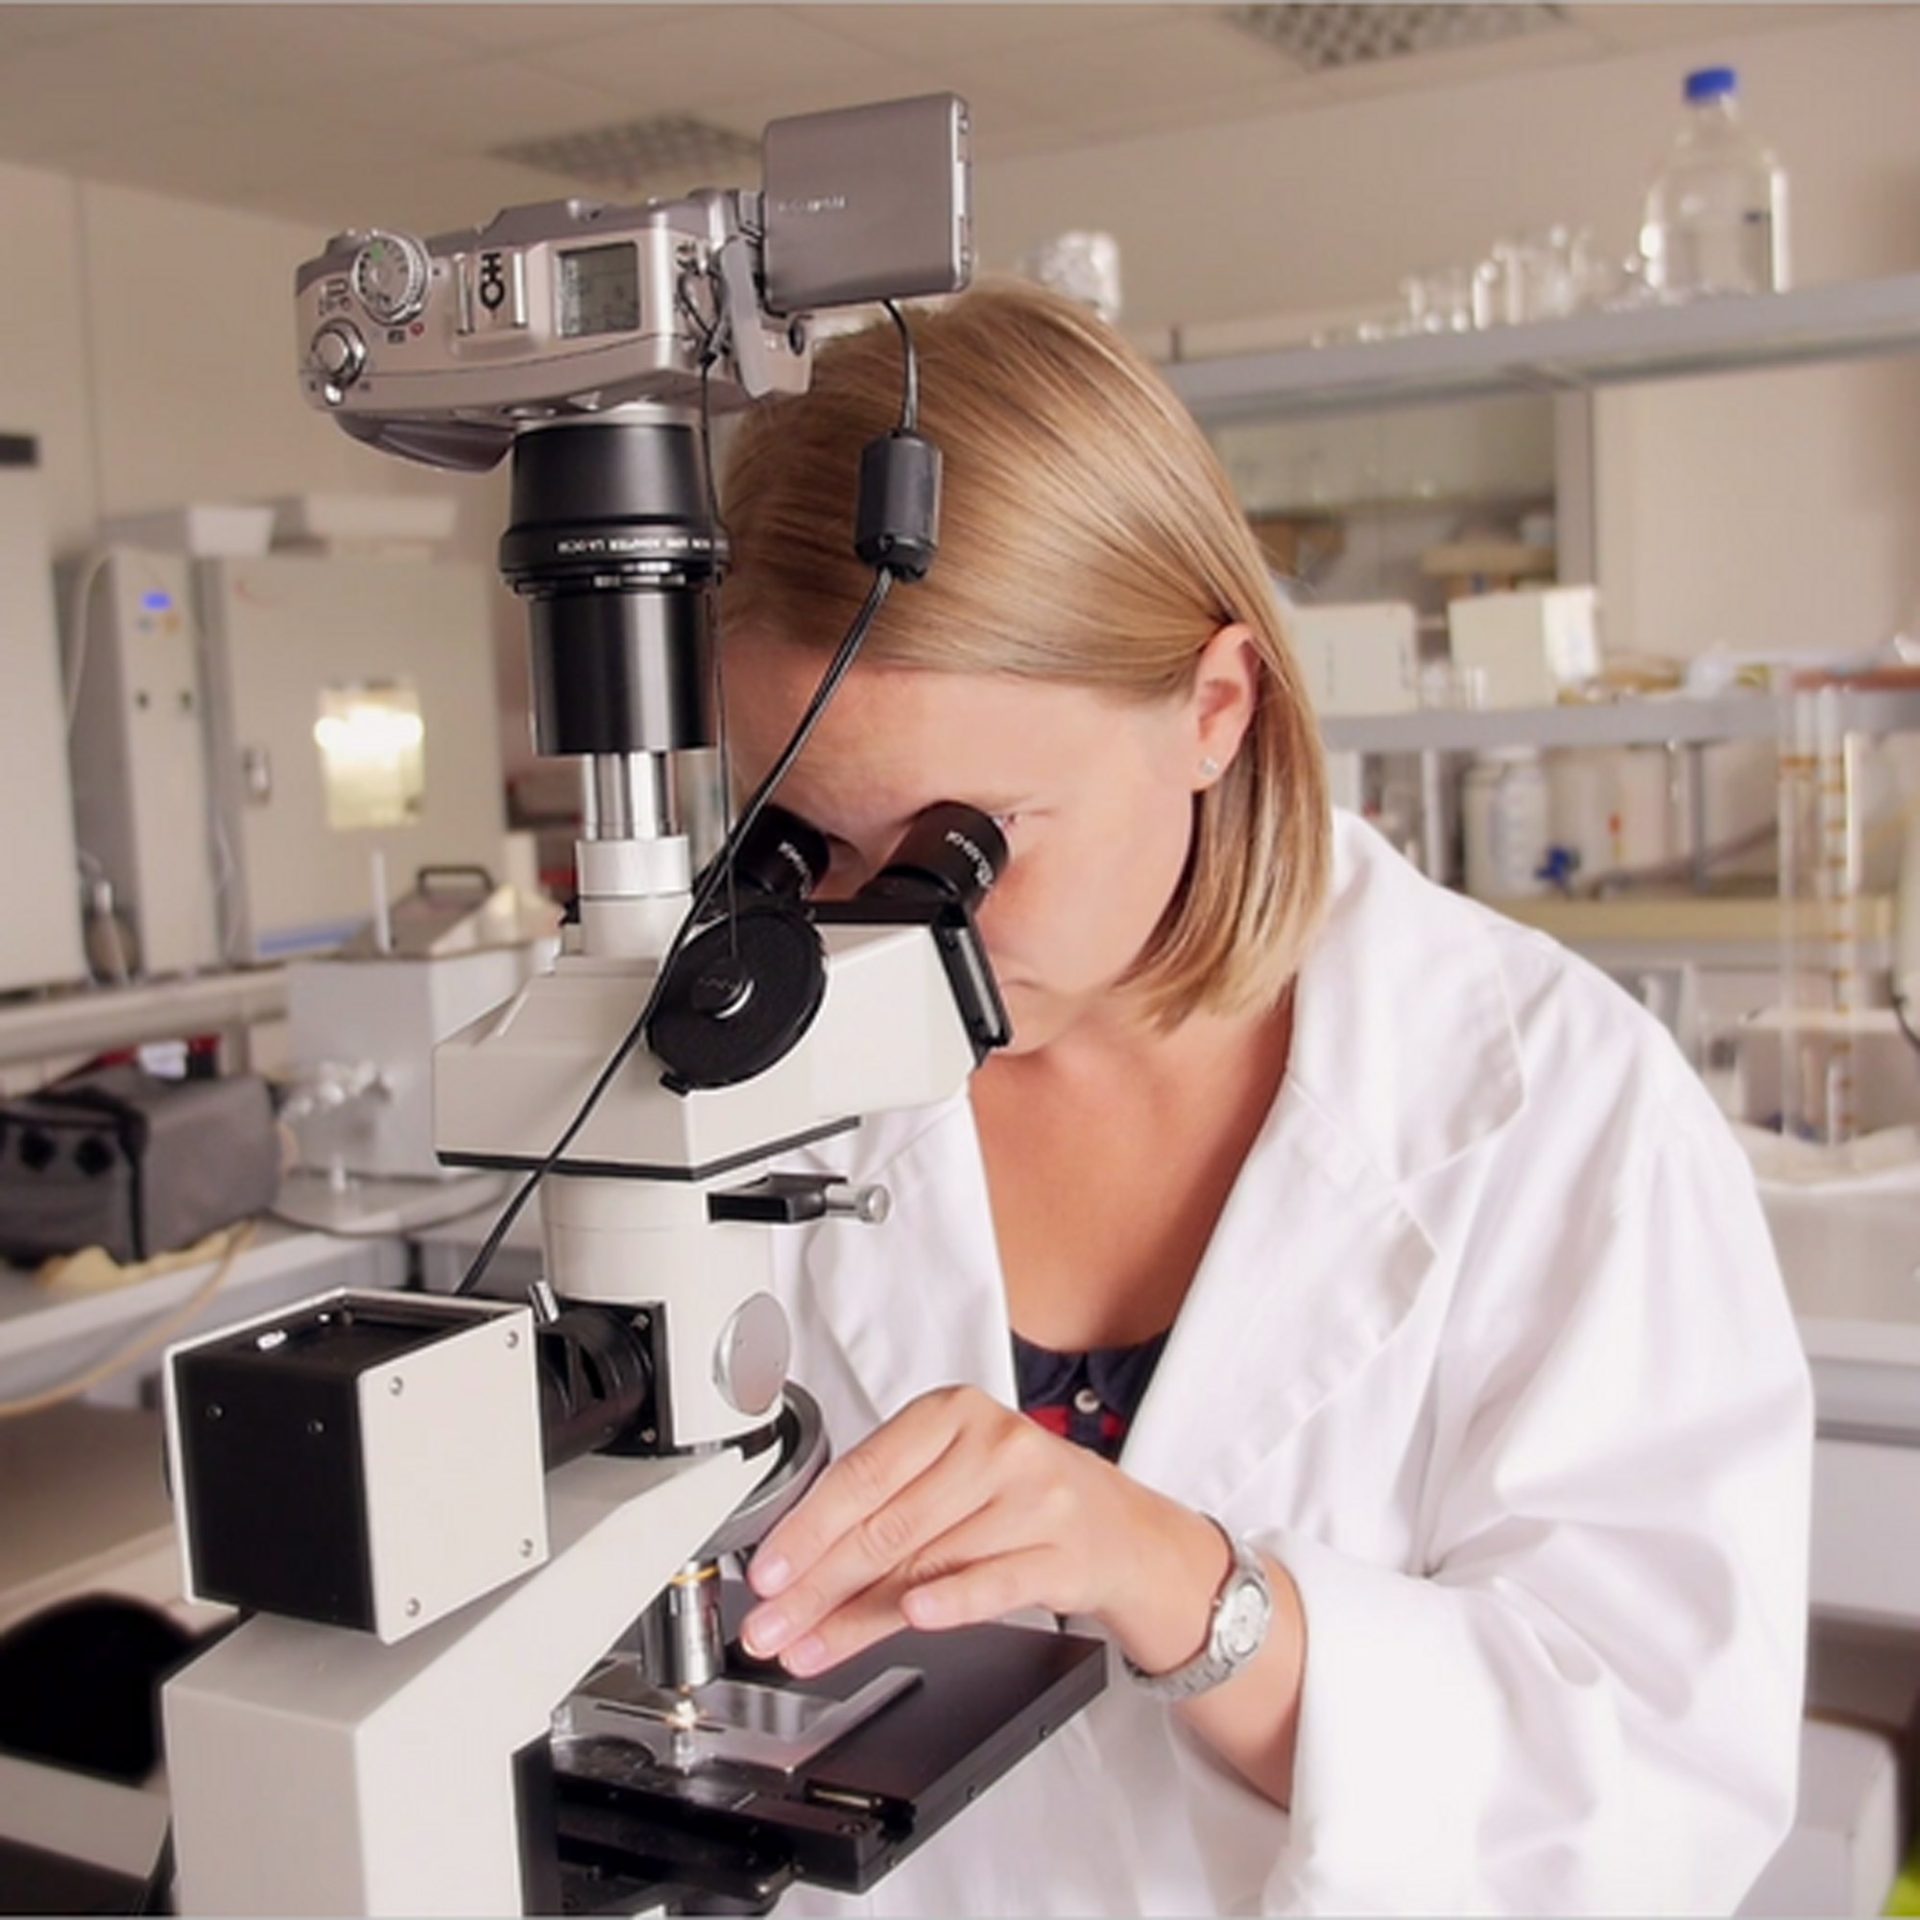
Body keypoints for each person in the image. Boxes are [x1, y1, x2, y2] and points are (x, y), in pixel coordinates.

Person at [714, 279, 1812, 1915]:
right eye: (812, 844)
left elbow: (1660, 1783)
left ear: (1214, 711)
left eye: (967, 848)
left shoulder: (1556, 1107)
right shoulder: (755, 1080)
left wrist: (1189, 1587)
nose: (881, 928)